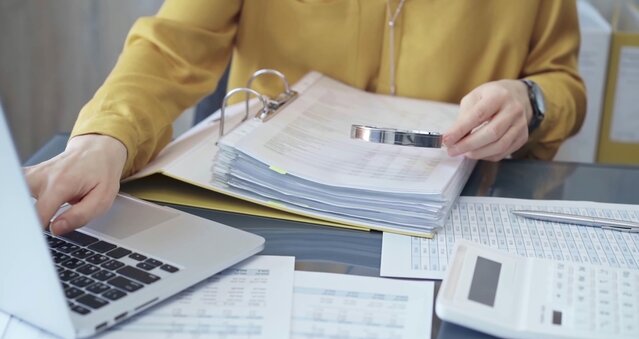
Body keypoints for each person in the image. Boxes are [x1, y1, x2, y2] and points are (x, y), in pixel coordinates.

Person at [25, 0, 586, 236]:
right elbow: (171, 48)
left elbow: (562, 81)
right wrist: (104, 139)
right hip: (271, 208)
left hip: (448, 214)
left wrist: (529, 99)